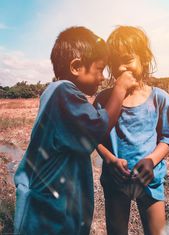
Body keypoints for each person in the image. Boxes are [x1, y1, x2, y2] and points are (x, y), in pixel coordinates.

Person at [14, 26, 138, 235]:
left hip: (56, 213)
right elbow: (97, 129)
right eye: (99, 69)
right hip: (45, 218)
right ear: (76, 66)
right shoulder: (62, 91)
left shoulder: (62, 95)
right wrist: (120, 90)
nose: (101, 78)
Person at [94, 26, 169, 235]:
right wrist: (109, 159)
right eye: (114, 62)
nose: (120, 68)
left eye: (127, 60)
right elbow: (94, 136)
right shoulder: (104, 100)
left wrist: (151, 160)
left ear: (144, 59)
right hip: (115, 180)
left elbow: (168, 138)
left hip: (149, 180)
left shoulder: (159, 97)